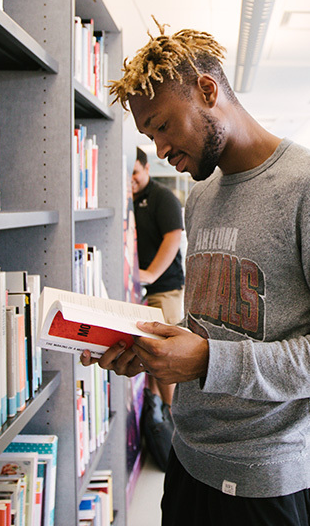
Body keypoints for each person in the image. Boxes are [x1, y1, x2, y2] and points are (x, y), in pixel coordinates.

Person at [82, 21, 310, 526]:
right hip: (189, 459)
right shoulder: (201, 196)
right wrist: (161, 351)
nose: (159, 150)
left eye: (162, 125)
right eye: (149, 134)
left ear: (207, 90)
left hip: (267, 479)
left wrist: (205, 360)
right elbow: (215, 329)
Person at [131, 145, 185, 470]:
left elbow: (173, 238)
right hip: (135, 291)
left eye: (135, 174)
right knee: (146, 360)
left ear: (146, 169)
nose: (131, 181)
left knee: (165, 359)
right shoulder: (125, 199)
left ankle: (176, 427)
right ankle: (159, 430)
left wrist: (150, 274)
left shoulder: (162, 198)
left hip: (164, 290)